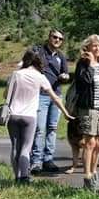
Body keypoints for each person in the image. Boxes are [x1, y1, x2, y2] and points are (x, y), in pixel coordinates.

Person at [4, 50, 70, 184]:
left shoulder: (16, 74)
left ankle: (17, 177)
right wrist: (65, 112)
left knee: (15, 147)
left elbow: (5, 95)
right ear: (38, 62)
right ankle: (24, 177)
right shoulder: (39, 76)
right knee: (26, 148)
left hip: (13, 115)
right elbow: (55, 97)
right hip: (30, 116)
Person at [74, 34, 99, 191]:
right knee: (90, 142)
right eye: (94, 45)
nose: (97, 48)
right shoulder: (82, 64)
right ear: (87, 47)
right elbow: (85, 81)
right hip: (88, 107)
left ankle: (94, 174)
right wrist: (89, 63)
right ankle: (88, 179)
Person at [30, 29, 69, 174]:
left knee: (52, 128)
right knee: (40, 129)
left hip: (56, 95)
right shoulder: (39, 52)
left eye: (60, 39)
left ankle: (48, 159)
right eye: (55, 37)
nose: (57, 40)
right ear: (49, 37)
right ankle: (36, 161)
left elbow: (65, 73)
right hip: (41, 95)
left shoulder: (61, 56)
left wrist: (65, 77)